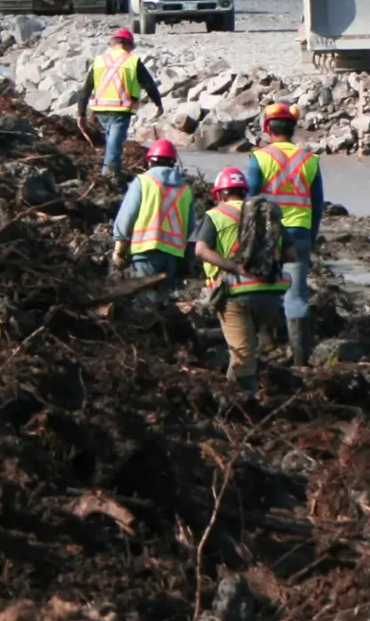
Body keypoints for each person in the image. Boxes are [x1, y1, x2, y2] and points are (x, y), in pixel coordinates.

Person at [193, 166, 289, 392]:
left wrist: (234, 267)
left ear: (219, 194)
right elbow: (292, 254)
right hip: (270, 295)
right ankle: (238, 394)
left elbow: (201, 250)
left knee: (242, 353)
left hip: (234, 296)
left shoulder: (216, 215)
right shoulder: (266, 214)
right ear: (245, 192)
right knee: (247, 349)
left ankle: (239, 403)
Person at [245, 103, 325, 364]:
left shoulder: (259, 158)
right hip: (299, 231)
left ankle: (266, 345)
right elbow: (317, 204)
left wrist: (245, 238)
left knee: (261, 286)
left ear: (268, 128)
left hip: (268, 233)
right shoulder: (310, 160)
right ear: (293, 129)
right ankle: (301, 360)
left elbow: (250, 201)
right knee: (296, 295)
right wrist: (311, 238)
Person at [108, 136, 195, 289]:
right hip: (172, 255)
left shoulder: (143, 182)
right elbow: (191, 229)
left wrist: (120, 247)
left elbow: (127, 215)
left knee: (145, 300)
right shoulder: (185, 190)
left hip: (144, 251)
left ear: (150, 162)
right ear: (173, 163)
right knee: (162, 300)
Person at [79, 27, 163, 181]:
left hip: (100, 111)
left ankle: (111, 175)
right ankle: (108, 179)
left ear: (114, 43)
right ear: (129, 45)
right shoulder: (132, 61)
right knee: (114, 147)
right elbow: (149, 84)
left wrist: (81, 113)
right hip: (120, 111)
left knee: (112, 144)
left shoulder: (100, 61)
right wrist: (158, 104)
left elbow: (86, 88)